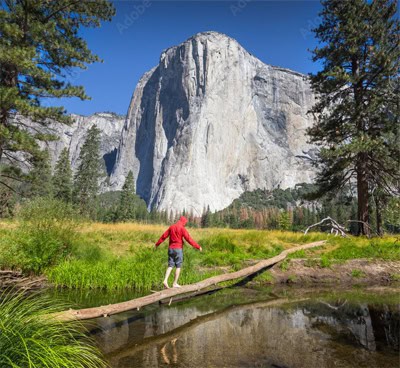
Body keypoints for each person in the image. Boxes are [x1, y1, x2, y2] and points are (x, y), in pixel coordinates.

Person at [155, 216, 202, 288]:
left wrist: (157, 244)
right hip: (178, 249)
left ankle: (165, 280)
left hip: (170, 249)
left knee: (170, 265)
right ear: (184, 222)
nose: (185, 224)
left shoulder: (171, 227)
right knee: (178, 266)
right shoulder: (182, 229)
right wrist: (198, 247)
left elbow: (164, 236)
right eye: (185, 223)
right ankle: (175, 283)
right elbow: (189, 239)